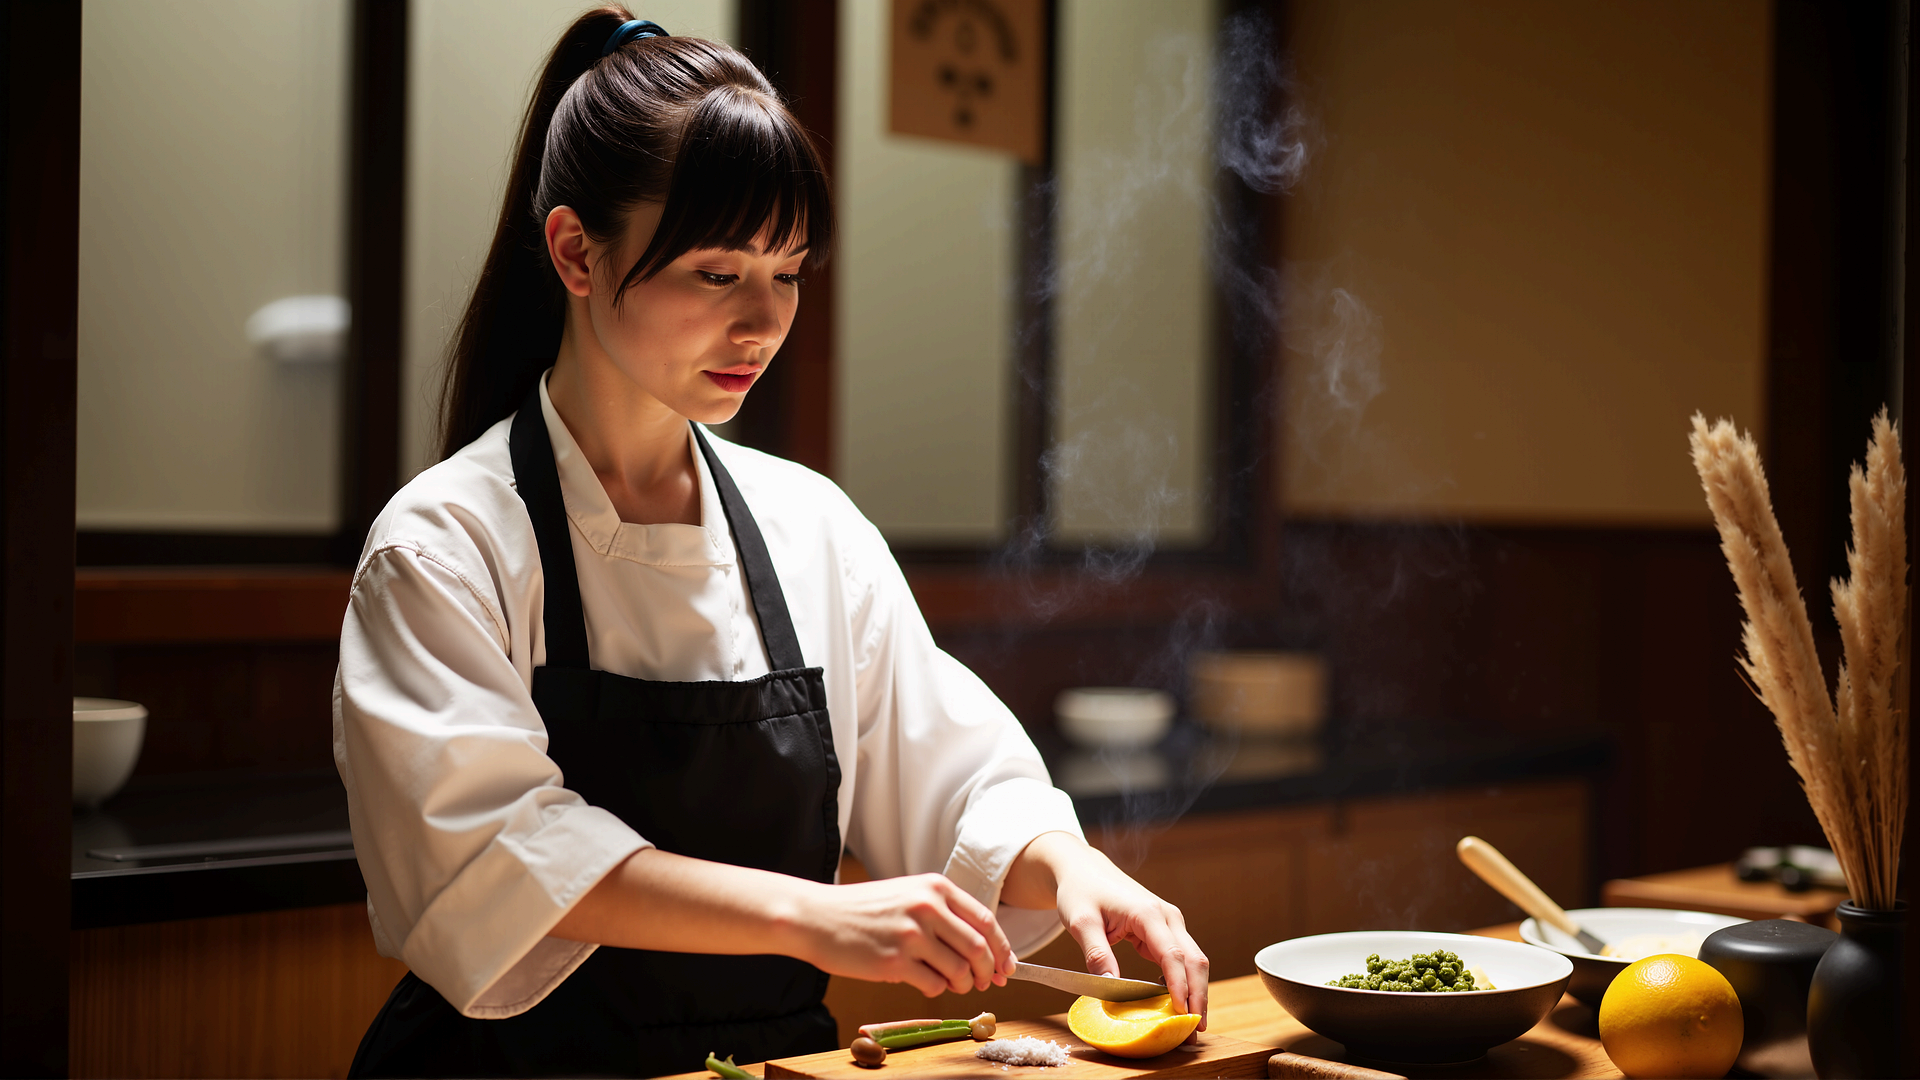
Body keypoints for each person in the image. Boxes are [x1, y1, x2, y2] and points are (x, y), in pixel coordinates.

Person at [335, 9, 1207, 1077]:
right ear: (575, 252)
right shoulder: (444, 545)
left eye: (787, 273)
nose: (762, 323)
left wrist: (1068, 865)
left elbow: (952, 776)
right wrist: (811, 916)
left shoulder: (811, 529)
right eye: (717, 274)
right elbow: (497, 854)